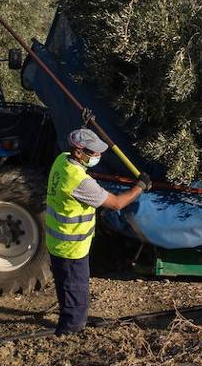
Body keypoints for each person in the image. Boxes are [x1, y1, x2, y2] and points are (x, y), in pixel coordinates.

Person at [46, 128, 151, 335]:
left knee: (67, 291)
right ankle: (68, 335)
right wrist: (140, 187)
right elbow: (118, 203)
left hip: (58, 242)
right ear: (78, 152)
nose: (98, 156)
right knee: (76, 297)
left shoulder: (62, 159)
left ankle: (67, 326)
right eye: (93, 153)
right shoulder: (79, 182)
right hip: (71, 249)